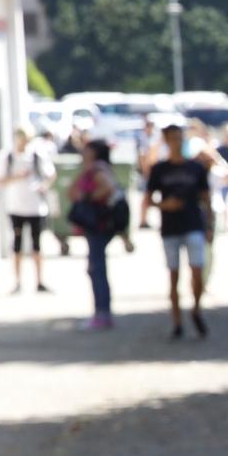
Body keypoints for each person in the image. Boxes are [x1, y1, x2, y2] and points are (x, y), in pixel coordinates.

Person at [143, 121, 217, 340]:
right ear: (166, 141)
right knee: (173, 276)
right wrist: (164, 205)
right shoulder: (159, 169)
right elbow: (148, 200)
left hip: (193, 223)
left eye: (179, 138)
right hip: (170, 227)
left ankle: (195, 308)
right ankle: (177, 321)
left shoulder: (195, 168)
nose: (176, 142)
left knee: (197, 271)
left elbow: (206, 199)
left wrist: (210, 225)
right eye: (172, 138)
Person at [68, 138, 131, 331]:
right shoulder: (95, 168)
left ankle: (102, 313)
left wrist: (87, 199)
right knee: (96, 267)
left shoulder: (97, 169)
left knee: (97, 268)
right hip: (98, 226)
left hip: (98, 225)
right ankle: (101, 312)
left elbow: (107, 188)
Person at [0, 127, 52, 293]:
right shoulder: (7, 156)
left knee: (37, 245)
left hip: (35, 207)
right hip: (15, 207)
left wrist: (43, 186)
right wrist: (18, 176)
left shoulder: (37, 155)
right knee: (17, 245)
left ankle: (39, 281)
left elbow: (50, 175)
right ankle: (18, 282)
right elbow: (0, 180)